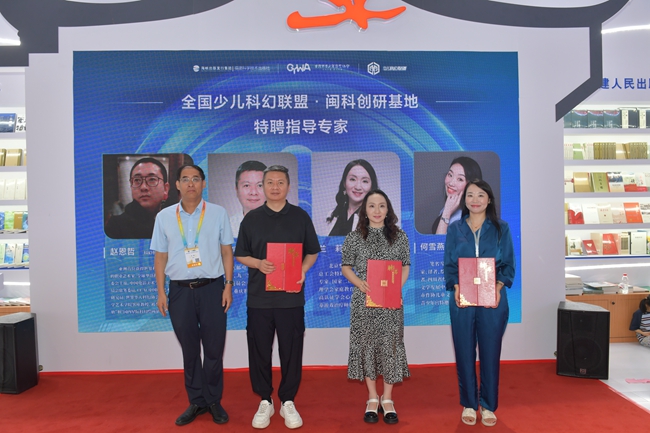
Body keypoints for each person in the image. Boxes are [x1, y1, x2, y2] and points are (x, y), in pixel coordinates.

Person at [234, 165, 320, 430]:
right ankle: (265, 400)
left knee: (291, 350)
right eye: (269, 182)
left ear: (288, 186)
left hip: (290, 298)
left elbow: (312, 251)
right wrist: (258, 264)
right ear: (263, 186)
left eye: (280, 182)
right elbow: (241, 254)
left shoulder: (300, 217)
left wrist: (302, 270)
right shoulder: (251, 218)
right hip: (259, 299)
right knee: (259, 350)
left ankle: (288, 400)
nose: (274, 187)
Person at [151, 164, 234, 426]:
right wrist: (161, 292)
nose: (190, 184)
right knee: (189, 350)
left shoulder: (218, 213)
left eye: (196, 179)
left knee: (213, 349)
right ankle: (197, 400)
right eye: (185, 179)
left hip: (212, 289)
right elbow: (160, 257)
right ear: (176, 184)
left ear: (203, 183)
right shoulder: (164, 217)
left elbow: (227, 252)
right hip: (179, 292)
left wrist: (228, 285)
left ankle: (214, 400)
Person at [443, 179, 515, 427]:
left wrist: (497, 288)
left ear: (489, 199)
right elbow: (449, 265)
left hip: (492, 298)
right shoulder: (455, 229)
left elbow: (508, 264)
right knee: (464, 351)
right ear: (464, 200)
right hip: (461, 298)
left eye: (480, 195)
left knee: (490, 352)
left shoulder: (501, 228)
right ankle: (469, 403)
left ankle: (488, 405)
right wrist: (456, 287)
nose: (475, 200)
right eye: (470, 195)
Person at [341, 189, 410, 425]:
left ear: (388, 209)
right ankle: (372, 397)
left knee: (390, 347)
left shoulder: (400, 237)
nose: (377, 210)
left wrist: (395, 290)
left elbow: (405, 266)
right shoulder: (354, 237)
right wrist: (359, 282)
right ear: (364, 210)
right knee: (367, 346)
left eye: (382, 206)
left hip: (390, 303)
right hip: (364, 302)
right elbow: (346, 266)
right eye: (372, 206)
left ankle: (387, 399)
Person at [105, 157, 170, 239]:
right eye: (137, 180)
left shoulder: (174, 221)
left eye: (152, 179)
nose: (143, 187)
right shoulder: (116, 226)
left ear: (166, 189)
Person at [431, 156, 483, 235]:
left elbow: (439, 241)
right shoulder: (450, 205)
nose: (451, 183)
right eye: (450, 175)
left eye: (460, 179)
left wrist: (446, 213)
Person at [327, 159, 378, 236]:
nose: (358, 187)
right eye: (352, 179)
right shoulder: (332, 214)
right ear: (344, 183)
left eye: (365, 181)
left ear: (371, 187)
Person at [231, 160, 267, 236]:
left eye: (260, 185)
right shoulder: (227, 227)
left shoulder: (283, 225)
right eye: (246, 185)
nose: (253, 192)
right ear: (237, 190)